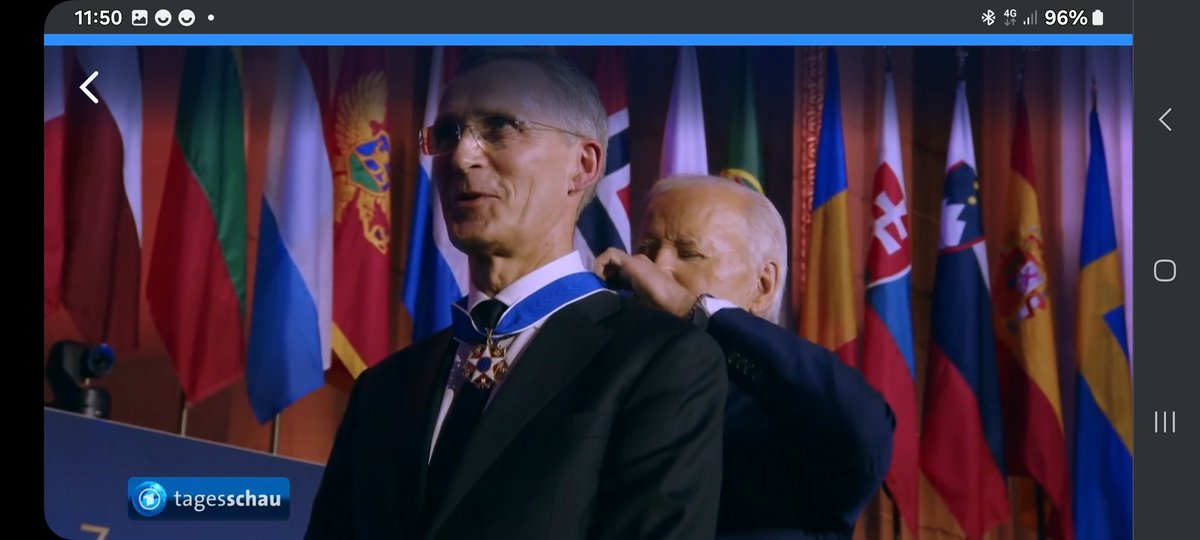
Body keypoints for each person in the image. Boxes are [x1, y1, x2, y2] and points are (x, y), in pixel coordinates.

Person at [306, 50, 727, 540]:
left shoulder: (661, 361)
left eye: (500, 126)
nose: (462, 156)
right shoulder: (384, 387)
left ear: (583, 164)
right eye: (447, 134)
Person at [596, 176, 895, 540]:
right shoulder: (608, 391)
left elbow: (864, 429)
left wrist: (689, 307)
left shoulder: (792, 418)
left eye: (689, 252)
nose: (655, 268)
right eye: (645, 249)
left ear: (763, 285)